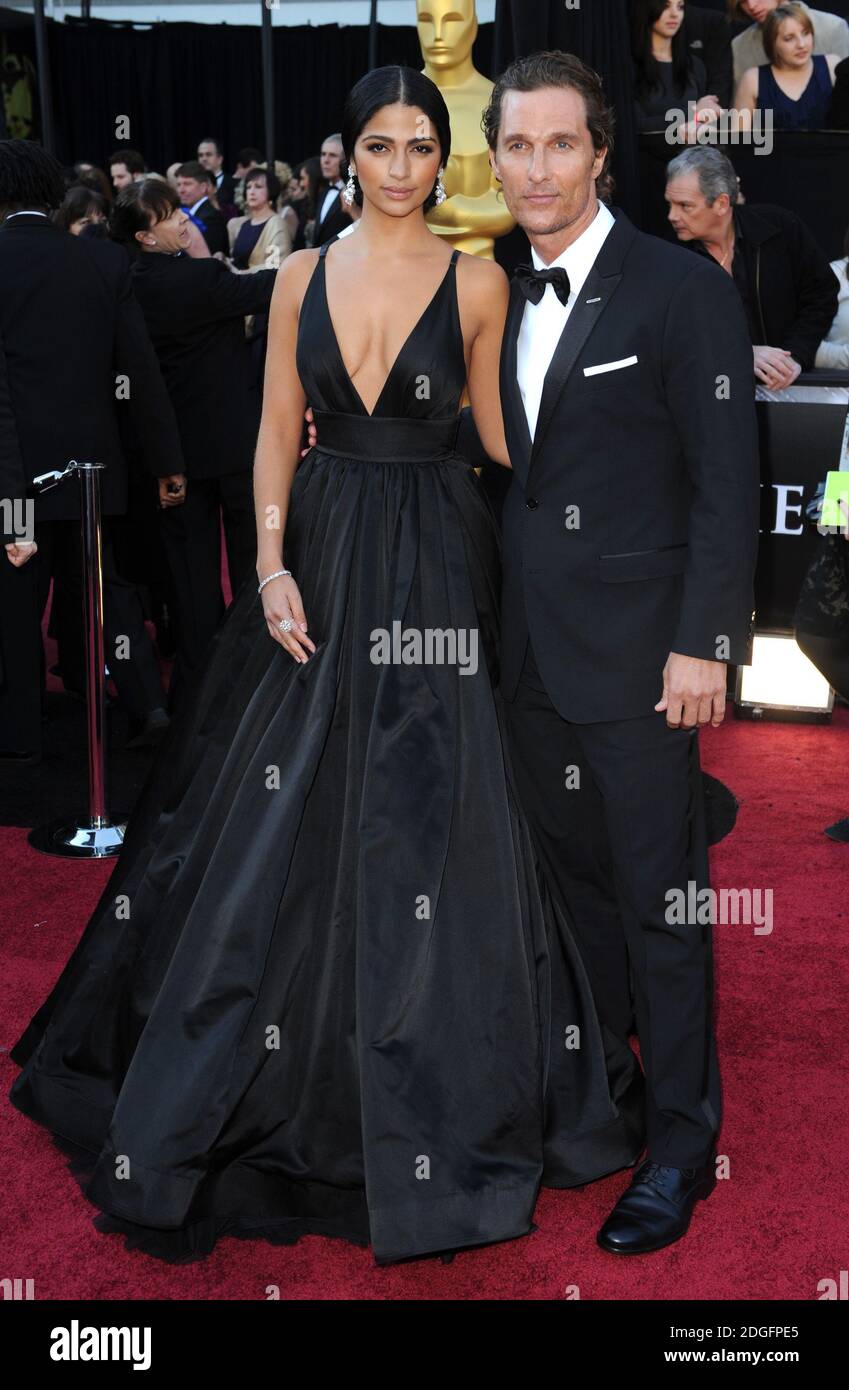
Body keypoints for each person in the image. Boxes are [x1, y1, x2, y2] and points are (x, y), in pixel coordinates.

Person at [8, 66, 645, 1266]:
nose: (400, 168)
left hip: (441, 558)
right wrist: (269, 566)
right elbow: (268, 435)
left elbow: (504, 439)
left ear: (441, 156)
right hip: (321, 557)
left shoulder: (478, 280)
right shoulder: (296, 274)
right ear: (347, 152)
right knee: (272, 805)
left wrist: (618, 459)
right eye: (379, 145)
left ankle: (438, 1080)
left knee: (439, 802)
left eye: (420, 146)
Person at [446, 48, 759, 1256]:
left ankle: (684, 1145)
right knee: (572, 904)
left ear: (600, 154)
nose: (535, 167)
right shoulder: (492, 290)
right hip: (530, 667)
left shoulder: (680, 292)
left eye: (559, 144)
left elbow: (730, 488)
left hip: (644, 666)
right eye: (515, 145)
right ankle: (606, 1102)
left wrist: (703, 647)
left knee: (663, 908)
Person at [0, 141, 185, 758]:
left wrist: (9, 500)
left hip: (18, 481)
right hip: (93, 472)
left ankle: (22, 735)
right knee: (108, 588)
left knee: (17, 605)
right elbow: (142, 373)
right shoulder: (103, 264)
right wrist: (167, 463)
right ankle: (145, 703)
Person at [109, 178, 277, 714]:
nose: (182, 220)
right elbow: (268, 287)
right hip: (232, 452)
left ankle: (202, 698)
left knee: (192, 585)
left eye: (180, 209)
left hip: (171, 457)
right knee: (256, 569)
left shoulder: (129, 289)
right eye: (168, 217)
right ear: (144, 236)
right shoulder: (200, 280)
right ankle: (257, 685)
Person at [665, 146, 838, 387]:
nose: (672, 216)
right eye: (670, 204)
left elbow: (822, 293)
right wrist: (743, 353)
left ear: (722, 204)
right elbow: (673, 335)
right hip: (715, 394)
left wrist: (796, 355)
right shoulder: (670, 259)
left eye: (685, 206)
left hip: (788, 389)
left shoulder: (779, 228)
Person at [734, 2, 840, 130]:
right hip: (770, 150)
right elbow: (737, 139)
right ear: (772, 43)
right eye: (789, 38)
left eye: (806, 33)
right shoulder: (752, 79)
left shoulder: (832, 66)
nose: (801, 44)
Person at [632, 0, 724, 137]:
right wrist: (694, 113)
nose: (675, 14)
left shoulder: (694, 65)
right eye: (665, 6)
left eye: (680, 7)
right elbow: (637, 125)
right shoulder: (631, 67)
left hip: (691, 154)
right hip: (646, 155)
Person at [728, 0, 849, 84]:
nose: (751, 5)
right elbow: (742, 117)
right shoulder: (740, 46)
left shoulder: (832, 27)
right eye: (742, 1)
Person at [174, 162, 228, 256]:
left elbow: (207, 258)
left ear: (203, 187)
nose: (181, 190)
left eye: (187, 184)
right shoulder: (185, 213)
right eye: (178, 185)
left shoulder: (211, 217)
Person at [313, 132, 351, 246]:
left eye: (333, 155)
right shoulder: (323, 193)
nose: (326, 160)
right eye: (323, 154)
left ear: (345, 160)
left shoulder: (356, 194)